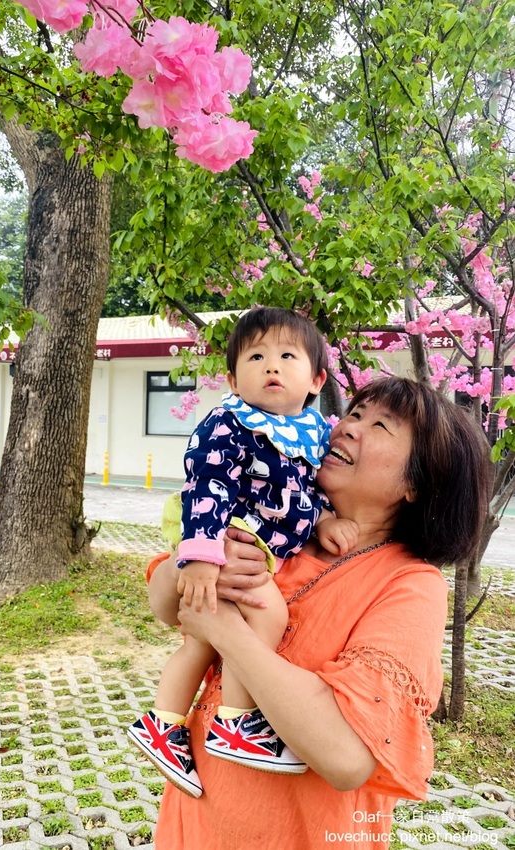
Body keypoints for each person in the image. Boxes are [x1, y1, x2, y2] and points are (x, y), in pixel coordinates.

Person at [145, 376, 491, 850]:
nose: (349, 427)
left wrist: (221, 625)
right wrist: (196, 567)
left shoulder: (408, 585)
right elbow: (166, 606)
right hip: (191, 828)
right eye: (354, 413)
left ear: (415, 484)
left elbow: (346, 756)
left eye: (381, 426)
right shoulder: (282, 531)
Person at [128, 308, 357, 796]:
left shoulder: (310, 432)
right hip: (223, 534)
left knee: (202, 641)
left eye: (287, 356)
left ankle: (163, 724)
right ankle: (236, 722)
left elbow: (301, 492)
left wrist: (325, 518)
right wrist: (202, 553)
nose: (271, 366)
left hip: (252, 545)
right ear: (232, 379)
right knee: (265, 614)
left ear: (316, 379)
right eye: (256, 357)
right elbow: (206, 484)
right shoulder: (231, 423)